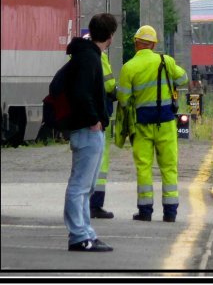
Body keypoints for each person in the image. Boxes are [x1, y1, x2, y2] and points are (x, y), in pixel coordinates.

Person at [117, 25, 189, 223]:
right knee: (169, 167)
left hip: (141, 124)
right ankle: (170, 213)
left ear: (136, 44)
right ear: (154, 45)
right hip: (166, 123)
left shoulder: (129, 67)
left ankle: (145, 211)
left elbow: (123, 99)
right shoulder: (166, 61)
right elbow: (183, 78)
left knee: (144, 167)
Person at [64, 13, 118, 252]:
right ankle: (79, 236)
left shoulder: (87, 55)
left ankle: (86, 233)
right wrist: (94, 119)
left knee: (86, 187)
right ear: (110, 36)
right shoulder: (89, 58)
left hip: (88, 129)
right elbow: (81, 93)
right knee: (80, 186)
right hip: (87, 129)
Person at [89, 50, 116, 219]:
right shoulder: (100, 56)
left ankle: (83, 205)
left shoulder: (74, 56)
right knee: (100, 162)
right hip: (99, 116)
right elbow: (109, 85)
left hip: (83, 117)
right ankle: (95, 205)